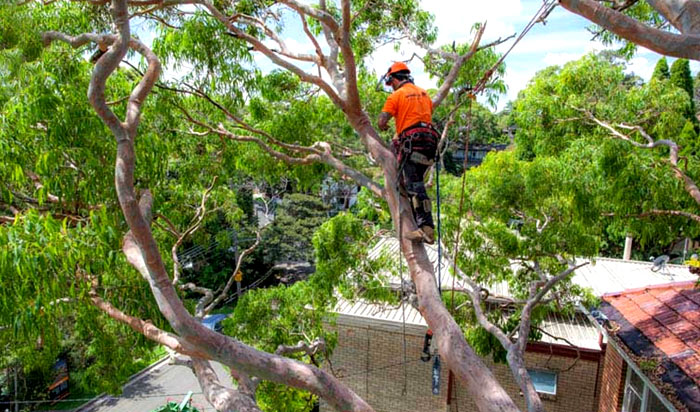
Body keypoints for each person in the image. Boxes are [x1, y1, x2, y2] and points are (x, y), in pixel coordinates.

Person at [378, 62, 439, 244]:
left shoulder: (396, 96)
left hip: (413, 142)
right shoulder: (424, 93)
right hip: (429, 142)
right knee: (413, 183)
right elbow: (425, 114)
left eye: (391, 84)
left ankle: (426, 228)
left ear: (394, 79)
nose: (391, 87)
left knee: (415, 186)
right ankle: (419, 222)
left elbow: (381, 122)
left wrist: (386, 124)